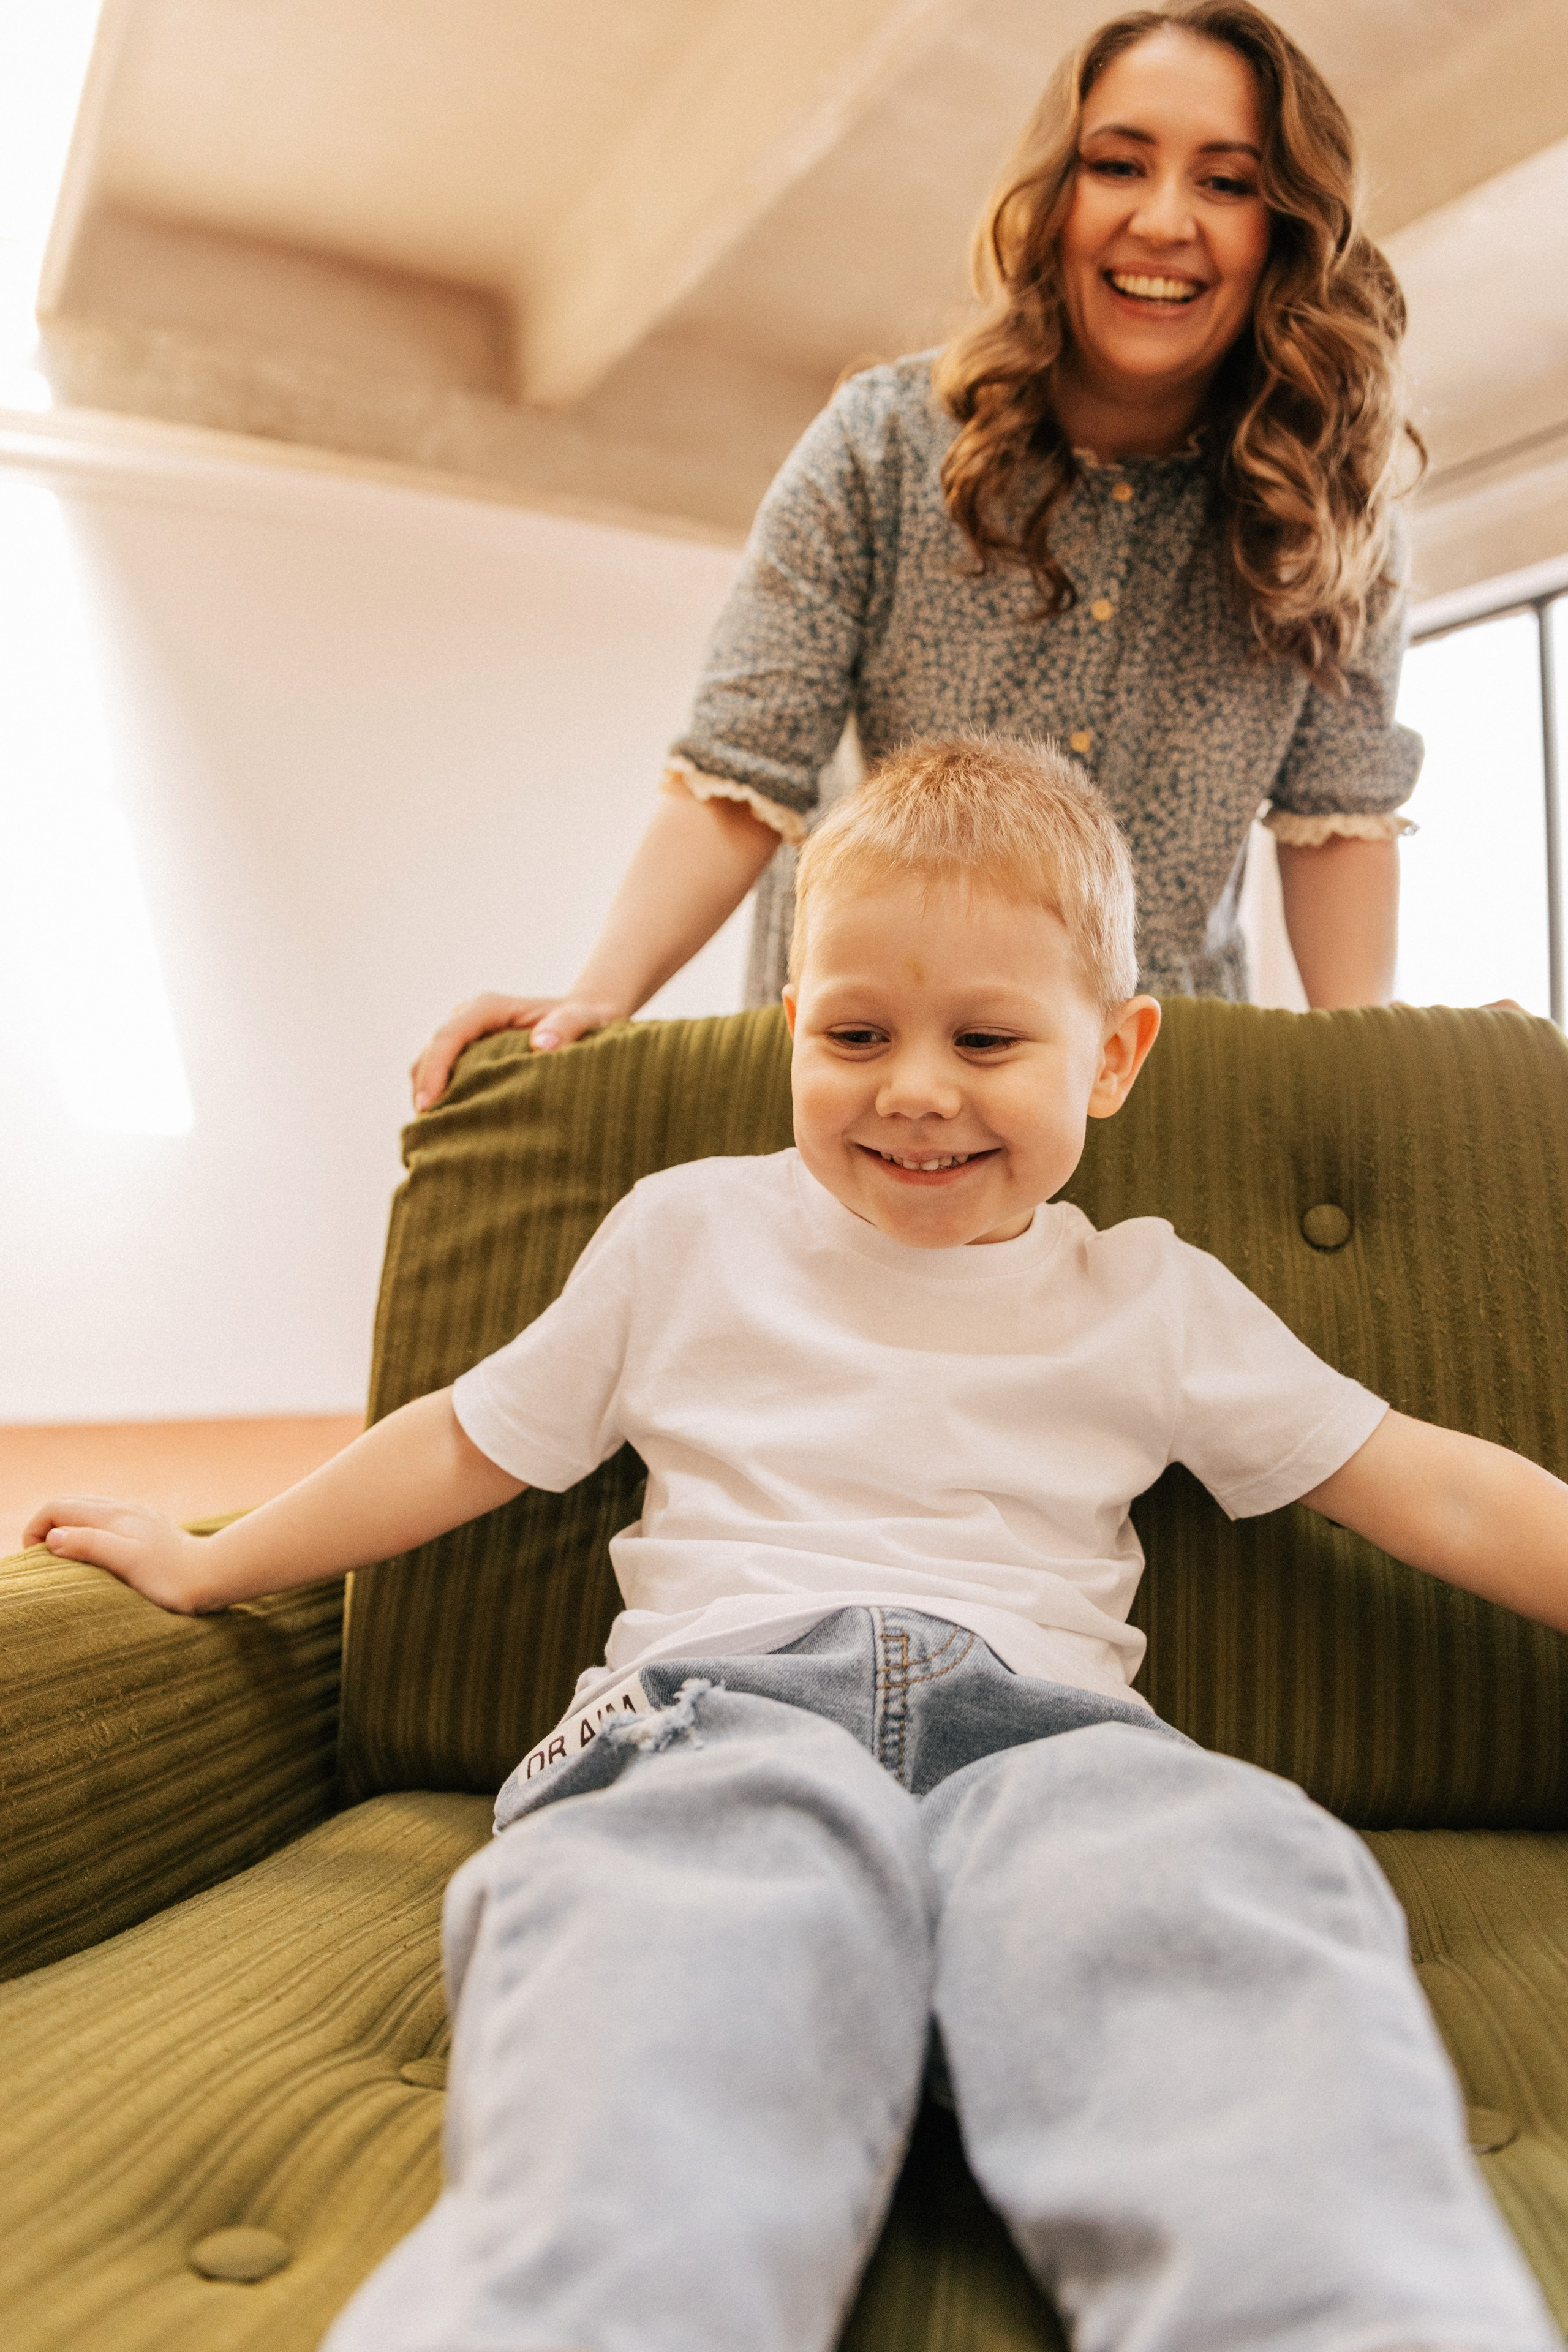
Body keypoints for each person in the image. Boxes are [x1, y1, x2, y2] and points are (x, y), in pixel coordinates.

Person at [32, 736, 1566, 2352]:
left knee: (1210, 1929)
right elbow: (463, 1438)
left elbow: (1429, 1487)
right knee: (665, 2012)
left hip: (1062, 1749)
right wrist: (218, 1562)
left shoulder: (1152, 1297)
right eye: (854, 1033)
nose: (913, 1086)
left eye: (985, 1038)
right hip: (716, 1720)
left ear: (1112, 1056)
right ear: (791, 1035)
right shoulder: (688, 1235)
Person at [410, 0, 1424, 1115]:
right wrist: (597, 998)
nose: (1164, 219)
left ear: (1285, 226)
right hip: (883, 1083)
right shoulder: (880, 443)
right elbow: (739, 776)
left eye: (1227, 182)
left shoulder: (1330, 512)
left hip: (1150, 1095)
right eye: (1117, 164)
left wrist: (1370, 1065)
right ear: (1055, 194)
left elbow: (1339, 825)